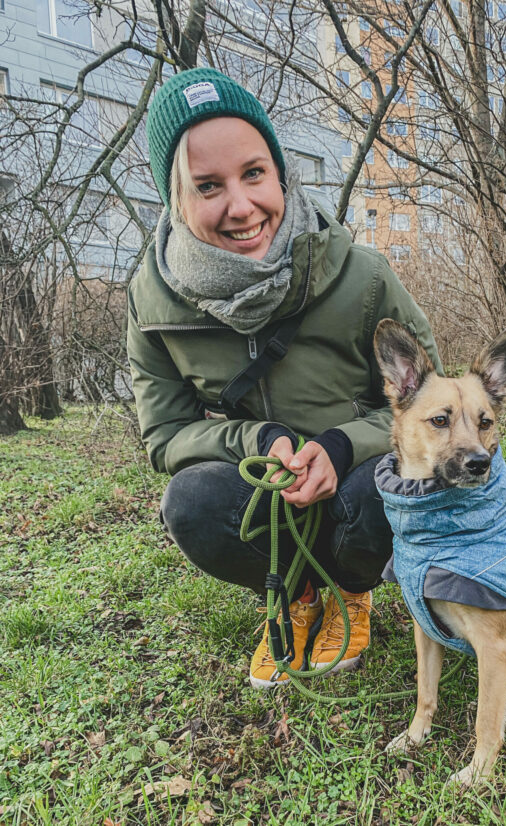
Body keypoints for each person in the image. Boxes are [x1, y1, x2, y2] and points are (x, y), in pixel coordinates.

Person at [127, 67, 442, 689]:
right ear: (175, 198)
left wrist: (342, 444)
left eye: (253, 173)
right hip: (267, 489)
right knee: (189, 503)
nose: (241, 206)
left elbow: (435, 405)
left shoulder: (365, 278)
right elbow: (164, 436)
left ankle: (352, 592)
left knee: (384, 488)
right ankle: (294, 597)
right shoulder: (152, 303)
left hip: (354, 482)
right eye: (208, 186)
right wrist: (257, 438)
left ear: (279, 172)